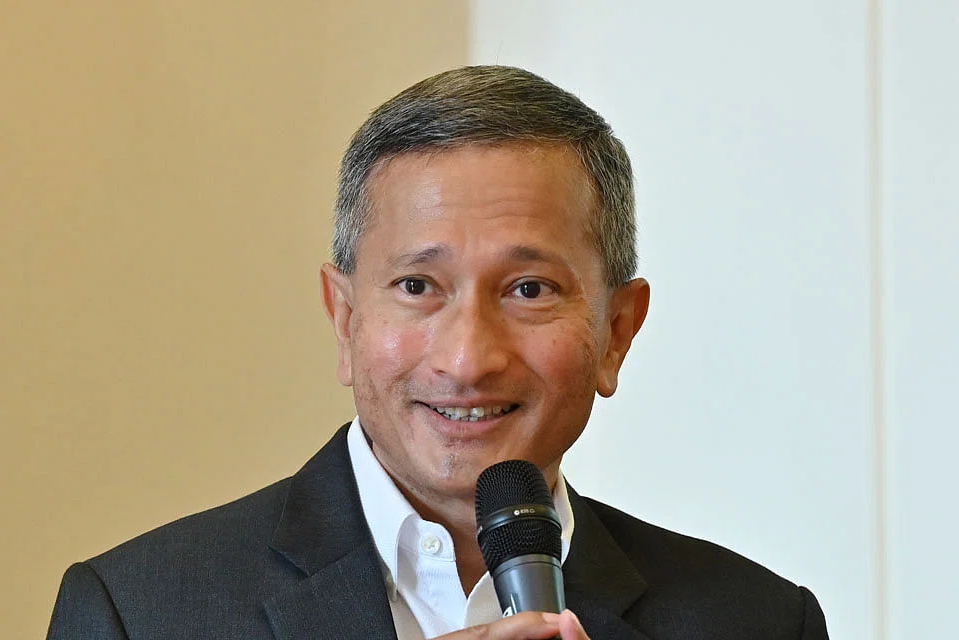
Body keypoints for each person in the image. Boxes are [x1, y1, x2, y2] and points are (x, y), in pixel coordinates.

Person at [47, 65, 829, 639]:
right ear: (345, 317)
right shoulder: (139, 613)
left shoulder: (756, 621)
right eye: (418, 286)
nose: (467, 359)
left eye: (529, 289)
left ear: (617, 332)